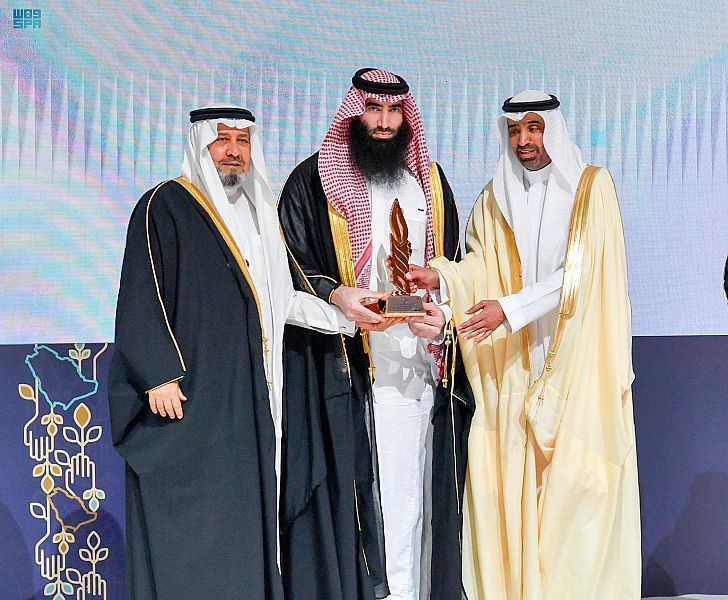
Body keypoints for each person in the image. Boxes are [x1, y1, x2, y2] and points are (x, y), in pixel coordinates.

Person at [108, 104, 351, 599]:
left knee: (249, 522)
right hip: (193, 404)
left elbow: (280, 300)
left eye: (243, 141)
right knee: (199, 531)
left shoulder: (261, 213)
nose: (234, 152)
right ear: (202, 145)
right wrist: (157, 374)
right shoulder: (166, 205)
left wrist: (345, 318)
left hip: (254, 403)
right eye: (222, 140)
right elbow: (140, 291)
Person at [409, 90, 641, 599]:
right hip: (514, 377)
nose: (524, 140)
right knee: (511, 505)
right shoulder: (494, 200)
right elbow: (481, 266)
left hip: (577, 371)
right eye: (514, 131)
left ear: (552, 130)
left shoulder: (591, 190)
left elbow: (581, 274)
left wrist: (508, 311)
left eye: (534, 128)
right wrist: (444, 281)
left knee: (577, 509)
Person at [278, 68, 473, 600]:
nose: (384, 123)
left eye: (394, 111)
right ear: (355, 112)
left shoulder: (429, 181)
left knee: (414, 500)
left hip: (422, 365)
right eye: (373, 109)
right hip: (348, 372)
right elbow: (286, 265)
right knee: (369, 503)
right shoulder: (313, 182)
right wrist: (336, 294)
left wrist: (443, 312)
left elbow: (453, 265)